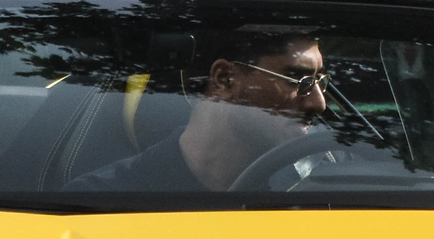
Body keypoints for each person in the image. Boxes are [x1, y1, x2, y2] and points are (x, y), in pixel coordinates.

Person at [66, 23, 329, 191]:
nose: (318, 102)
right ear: (224, 79)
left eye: (320, 81)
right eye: (299, 80)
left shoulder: (317, 191)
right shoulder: (103, 203)